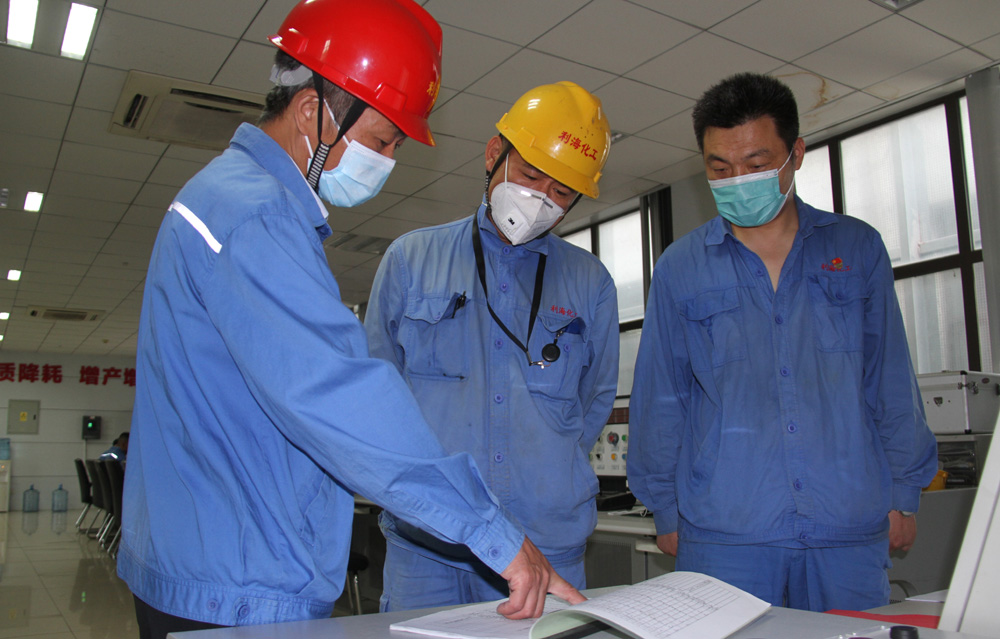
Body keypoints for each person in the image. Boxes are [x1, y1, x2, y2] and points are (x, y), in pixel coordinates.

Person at [117, 2, 583, 637]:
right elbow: (340, 396)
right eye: (382, 141)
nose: (387, 161)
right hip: (238, 584)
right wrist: (492, 532)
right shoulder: (257, 216)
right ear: (312, 110)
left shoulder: (227, 197)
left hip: (206, 560)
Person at [626, 72, 938, 612]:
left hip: (847, 525)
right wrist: (665, 508)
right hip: (727, 532)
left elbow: (889, 378)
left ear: (796, 154)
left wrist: (904, 492)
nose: (737, 181)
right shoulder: (681, 267)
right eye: (720, 169)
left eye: (756, 164)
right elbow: (661, 398)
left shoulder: (857, 248)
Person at [365, 81, 620, 611]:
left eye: (561, 192)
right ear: (493, 154)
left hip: (546, 547)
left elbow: (592, 403)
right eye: (529, 175)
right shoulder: (411, 260)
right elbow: (377, 398)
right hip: (427, 547)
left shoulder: (590, 283)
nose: (540, 199)